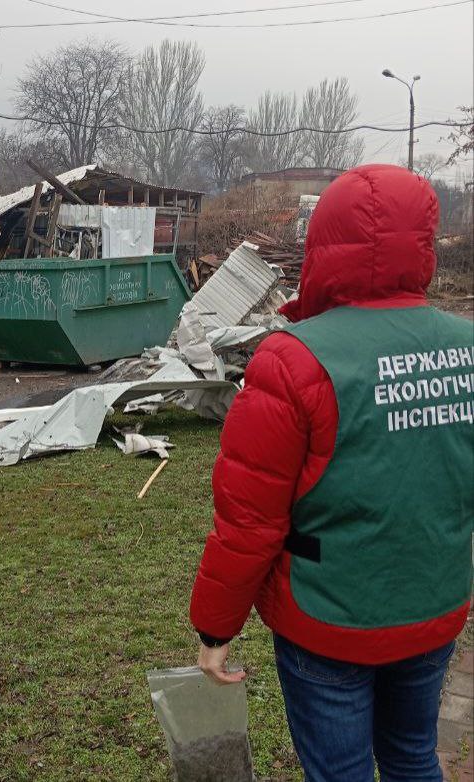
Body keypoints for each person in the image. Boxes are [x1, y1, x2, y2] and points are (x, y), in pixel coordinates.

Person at [188, 164, 473, 782]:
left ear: (324, 243)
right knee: (413, 758)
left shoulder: (292, 358)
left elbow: (250, 520)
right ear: (422, 244)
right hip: (434, 606)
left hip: (328, 621)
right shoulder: (468, 348)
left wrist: (215, 627)